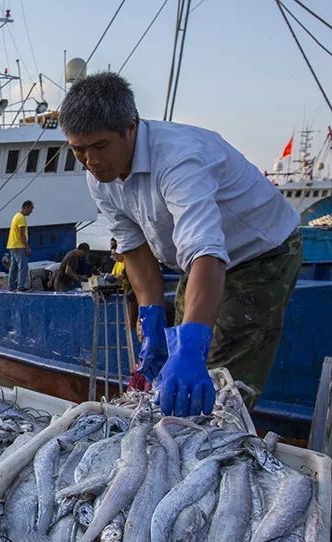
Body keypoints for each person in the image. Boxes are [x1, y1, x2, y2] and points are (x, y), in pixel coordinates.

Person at [60, 72, 301, 416]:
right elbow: (136, 251)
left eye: (99, 146)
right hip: (198, 264)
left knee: (220, 377)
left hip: (261, 255)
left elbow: (205, 251)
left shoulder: (178, 159)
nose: (91, 161)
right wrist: (153, 322)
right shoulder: (100, 176)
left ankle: (222, 435)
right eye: (79, 150)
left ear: (131, 127)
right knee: (173, 355)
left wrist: (191, 350)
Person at [6, 200, 33, 291]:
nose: (31, 211)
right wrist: (27, 247)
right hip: (19, 246)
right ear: (26, 207)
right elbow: (22, 234)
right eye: (31, 208)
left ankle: (11, 287)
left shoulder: (16, 216)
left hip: (12, 245)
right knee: (23, 266)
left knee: (13, 268)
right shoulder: (21, 218)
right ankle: (21, 287)